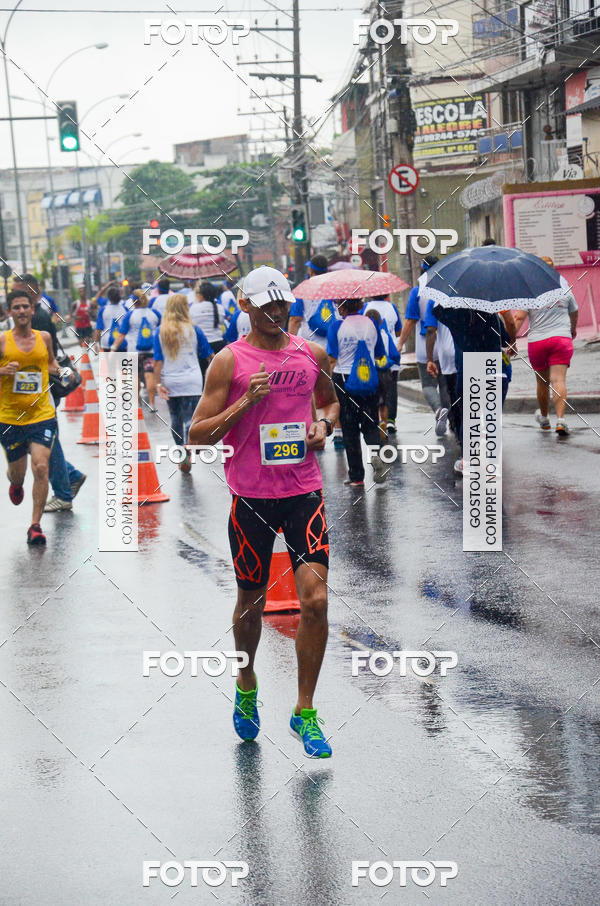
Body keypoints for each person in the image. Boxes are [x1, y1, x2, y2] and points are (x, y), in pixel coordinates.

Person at [189, 265, 339, 758]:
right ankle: (246, 679)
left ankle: (305, 710)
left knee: (314, 602)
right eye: (267, 305)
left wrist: (323, 425)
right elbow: (197, 434)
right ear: (246, 307)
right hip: (250, 499)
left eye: (284, 305)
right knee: (251, 604)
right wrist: (244, 405)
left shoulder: (310, 355)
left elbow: (330, 404)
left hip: (303, 492)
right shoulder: (227, 363)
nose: (278, 313)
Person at [12, 274, 86, 512]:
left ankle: (64, 493)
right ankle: (71, 477)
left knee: (47, 442)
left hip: (43, 390)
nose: (16, 299)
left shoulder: (40, 318)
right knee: (42, 442)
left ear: (32, 292)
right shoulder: (36, 316)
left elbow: (44, 359)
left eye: (20, 293)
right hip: (35, 390)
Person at [0, 290, 61, 544]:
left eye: (26, 306)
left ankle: (35, 525)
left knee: (41, 466)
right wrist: (3, 370)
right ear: (10, 312)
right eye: (17, 307)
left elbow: (51, 364)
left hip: (41, 414)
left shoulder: (44, 337)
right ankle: (15, 483)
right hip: (10, 418)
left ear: (32, 310)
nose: (22, 311)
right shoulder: (2, 341)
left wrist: (63, 372)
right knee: (18, 473)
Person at [327, 297, 388, 486]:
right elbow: (379, 354)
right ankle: (376, 454)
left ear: (343, 306)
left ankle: (356, 476)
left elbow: (331, 358)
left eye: (338, 304)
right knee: (370, 423)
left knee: (349, 428)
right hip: (368, 379)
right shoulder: (371, 323)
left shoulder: (336, 327)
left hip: (344, 381)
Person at [513, 271, 578, 436]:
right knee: (559, 380)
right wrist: (572, 330)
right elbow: (574, 312)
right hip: (561, 340)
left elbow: (519, 318)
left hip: (538, 341)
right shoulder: (564, 288)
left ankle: (544, 418)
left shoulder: (529, 292)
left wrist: (510, 339)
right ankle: (561, 421)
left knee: (542, 382)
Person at [288, 254, 344, 449]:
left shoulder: (302, 291)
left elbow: (295, 320)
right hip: (334, 346)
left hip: (309, 348)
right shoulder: (336, 287)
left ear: (311, 271)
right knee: (334, 389)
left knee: (310, 389)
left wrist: (288, 344)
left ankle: (313, 430)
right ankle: (338, 431)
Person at [153, 295, 213, 472]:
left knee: (176, 419)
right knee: (190, 419)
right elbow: (208, 356)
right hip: (192, 380)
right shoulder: (194, 330)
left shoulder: (160, 331)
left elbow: (157, 361)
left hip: (170, 381)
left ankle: (180, 451)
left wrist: (158, 384)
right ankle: (188, 449)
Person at [397, 256, 450, 436]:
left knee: (428, 384)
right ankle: (449, 417)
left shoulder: (417, 292)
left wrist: (401, 343)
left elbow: (410, 321)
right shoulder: (447, 290)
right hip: (443, 343)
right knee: (445, 384)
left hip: (424, 345)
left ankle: (437, 410)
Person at [111, 288, 160, 410]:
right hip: (151, 351)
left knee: (135, 377)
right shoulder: (154, 313)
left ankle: (137, 403)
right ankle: (152, 404)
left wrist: (113, 349)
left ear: (133, 301)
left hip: (134, 351)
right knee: (150, 376)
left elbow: (121, 335)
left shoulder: (129, 315)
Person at [362, 294, 402, 435]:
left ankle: (374, 422)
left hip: (371, 369)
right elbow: (398, 331)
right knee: (389, 393)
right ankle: (389, 421)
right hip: (387, 366)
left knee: (372, 397)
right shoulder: (392, 307)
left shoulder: (366, 307)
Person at [188, 281, 226, 375]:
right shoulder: (220, 308)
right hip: (219, 344)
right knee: (219, 375)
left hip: (201, 345)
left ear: (201, 295)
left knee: (203, 375)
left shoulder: (193, 308)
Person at [95, 285, 128, 351]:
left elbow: (99, 329)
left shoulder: (103, 310)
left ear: (108, 297)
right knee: (125, 361)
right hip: (123, 342)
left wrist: (96, 343)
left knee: (109, 361)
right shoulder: (125, 309)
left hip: (106, 344)